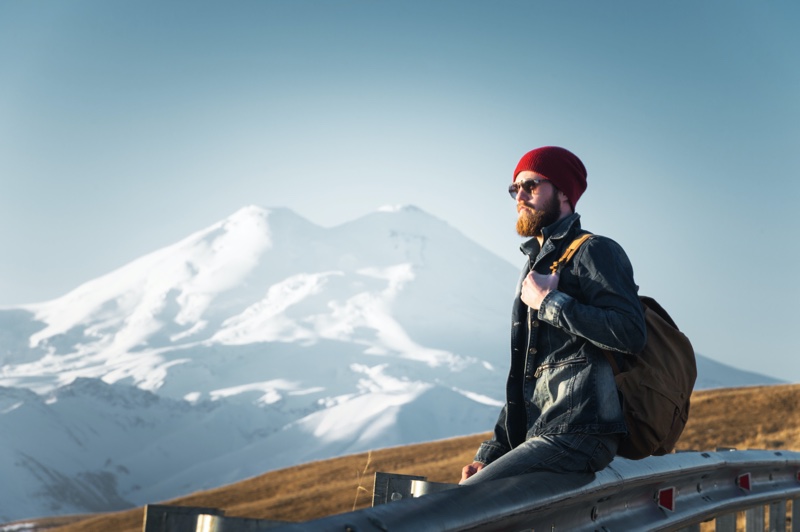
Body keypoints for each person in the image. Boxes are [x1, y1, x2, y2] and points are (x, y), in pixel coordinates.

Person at [460, 146, 647, 485]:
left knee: (472, 500)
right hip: (543, 434)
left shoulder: (595, 250)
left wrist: (550, 302)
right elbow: (526, 376)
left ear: (562, 191)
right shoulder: (534, 264)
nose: (520, 195)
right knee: (475, 494)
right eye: (514, 188)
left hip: (581, 432)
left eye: (530, 185)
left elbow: (631, 333)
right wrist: (493, 453)